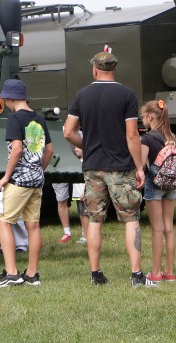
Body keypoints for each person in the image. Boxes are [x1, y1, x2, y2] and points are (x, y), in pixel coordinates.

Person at [63, 51, 152, 287]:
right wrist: (139, 167)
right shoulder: (126, 94)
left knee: (94, 219)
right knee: (131, 219)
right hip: (120, 167)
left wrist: (88, 145)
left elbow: (68, 132)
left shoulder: (81, 96)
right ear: (114, 69)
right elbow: (132, 135)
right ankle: (136, 275)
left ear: (95, 69)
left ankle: (96, 274)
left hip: (92, 167)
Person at [0, 79, 53, 287]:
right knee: (33, 225)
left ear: (10, 98)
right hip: (37, 179)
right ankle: (31, 274)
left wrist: (6, 176)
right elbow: (49, 150)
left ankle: (11, 273)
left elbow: (17, 149)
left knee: (3, 221)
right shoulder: (39, 119)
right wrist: (38, 169)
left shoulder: (14, 119)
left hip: (19, 179)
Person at [140, 99, 176, 283]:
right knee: (169, 228)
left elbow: (140, 162)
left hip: (154, 186)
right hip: (171, 186)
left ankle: (155, 273)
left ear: (151, 116)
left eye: (144, 116)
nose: (143, 120)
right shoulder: (173, 138)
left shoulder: (147, 138)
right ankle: (169, 272)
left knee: (157, 229)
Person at [72, 147, 89, 245]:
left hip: (83, 193)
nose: (76, 149)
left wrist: (85, 192)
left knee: (85, 215)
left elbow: (88, 179)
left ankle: (86, 236)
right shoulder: (77, 162)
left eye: (78, 147)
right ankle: (84, 233)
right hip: (77, 193)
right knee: (81, 214)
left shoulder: (86, 163)